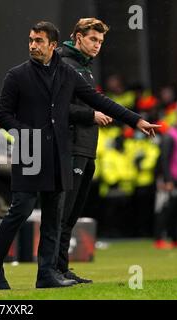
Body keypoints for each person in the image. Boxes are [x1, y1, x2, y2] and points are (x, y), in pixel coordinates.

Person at [0, 21, 160, 290]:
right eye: (31, 40)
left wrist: (135, 120)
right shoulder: (16, 75)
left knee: (54, 217)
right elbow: (3, 116)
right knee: (20, 211)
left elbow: (99, 101)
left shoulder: (67, 73)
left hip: (58, 152)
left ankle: (46, 274)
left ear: (52, 45)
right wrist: (25, 133)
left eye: (39, 41)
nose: (33, 45)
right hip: (30, 152)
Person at [55, 18, 112, 283]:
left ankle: (61, 268)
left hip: (87, 148)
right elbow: (57, 107)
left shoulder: (84, 67)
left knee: (72, 213)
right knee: (63, 211)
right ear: (78, 37)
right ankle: (53, 269)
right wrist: (91, 114)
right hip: (72, 146)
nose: (97, 45)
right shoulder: (65, 64)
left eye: (100, 41)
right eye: (92, 39)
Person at [154, 110, 177, 249]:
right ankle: (159, 239)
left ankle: (175, 238)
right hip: (171, 180)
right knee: (166, 209)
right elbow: (164, 160)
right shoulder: (170, 136)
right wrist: (167, 180)